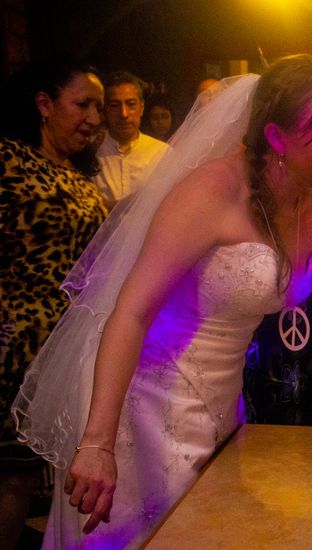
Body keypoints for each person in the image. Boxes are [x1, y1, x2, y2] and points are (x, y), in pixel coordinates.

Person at [12, 55, 312, 549]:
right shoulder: (210, 191)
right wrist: (97, 444)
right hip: (139, 408)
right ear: (278, 137)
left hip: (220, 406)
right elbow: (130, 313)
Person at [0, 59, 107, 550]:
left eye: (98, 108)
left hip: (54, 351)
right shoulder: (8, 159)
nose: (93, 117)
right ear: (44, 104)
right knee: (10, 477)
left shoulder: (84, 176)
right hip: (11, 342)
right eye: (82, 103)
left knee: (22, 478)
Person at [94, 71, 170, 208]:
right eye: (114, 105)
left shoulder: (163, 154)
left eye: (131, 104)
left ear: (141, 107)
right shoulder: (91, 150)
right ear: (104, 109)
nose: (124, 114)